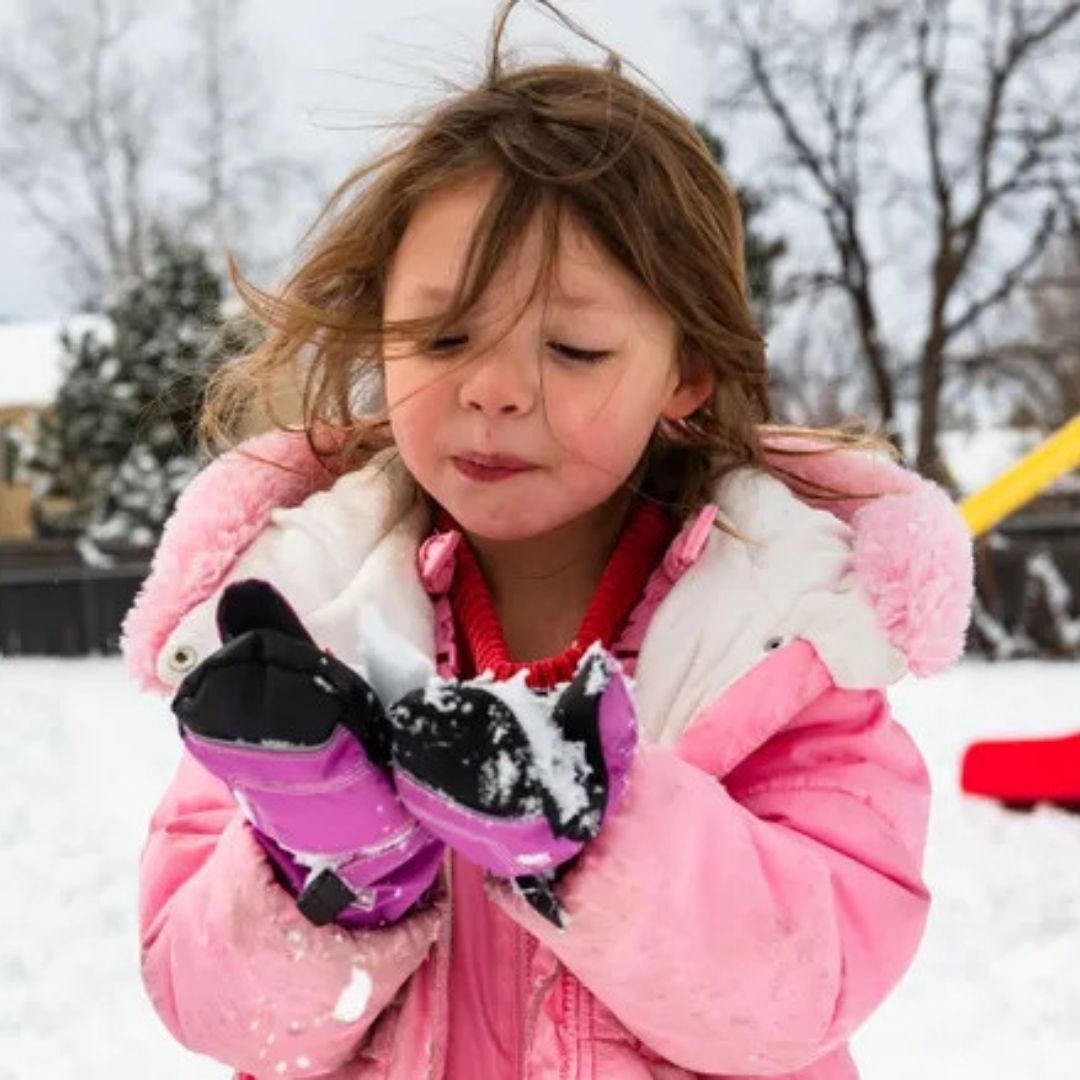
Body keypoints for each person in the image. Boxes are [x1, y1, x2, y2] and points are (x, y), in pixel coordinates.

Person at [122, 2, 975, 1077]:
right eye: (443, 335)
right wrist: (327, 865)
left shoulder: (783, 643)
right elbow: (210, 1007)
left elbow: (812, 983)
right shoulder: (299, 608)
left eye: (571, 347)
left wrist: (593, 829)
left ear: (685, 373)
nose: (493, 391)